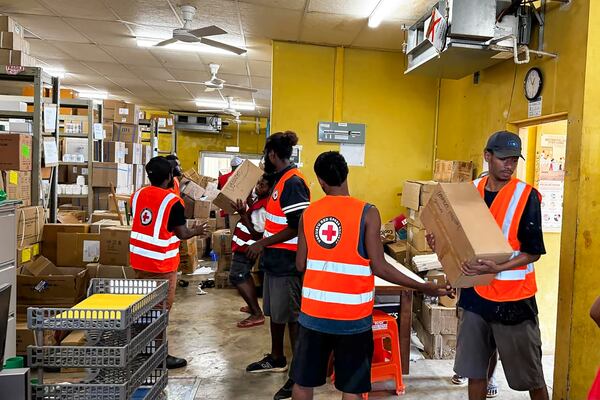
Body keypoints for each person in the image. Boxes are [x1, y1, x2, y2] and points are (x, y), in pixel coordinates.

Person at [291, 151, 452, 400]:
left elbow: (300, 263)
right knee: (352, 387)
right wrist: (423, 286)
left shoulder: (308, 214)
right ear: (346, 174)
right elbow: (381, 267)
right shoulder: (367, 212)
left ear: (321, 181)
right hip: (352, 319)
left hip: (313, 315)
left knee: (303, 382)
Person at [428, 131, 548, 400]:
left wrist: (497, 268)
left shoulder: (526, 196)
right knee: (475, 371)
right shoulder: (469, 193)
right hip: (474, 298)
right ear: (487, 156)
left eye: (514, 160)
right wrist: (438, 241)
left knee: (531, 375)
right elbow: (458, 242)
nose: (509, 165)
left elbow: (533, 253)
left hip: (514, 301)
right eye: (504, 159)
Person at [245, 131, 310, 400]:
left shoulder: (293, 182)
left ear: (273, 154)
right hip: (274, 260)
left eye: (265, 153)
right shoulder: (280, 180)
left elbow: (298, 226)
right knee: (276, 313)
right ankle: (276, 357)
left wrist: (262, 243)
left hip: (287, 262)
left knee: (293, 318)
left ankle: (298, 375)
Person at [129, 156, 207, 369]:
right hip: (161, 266)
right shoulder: (173, 202)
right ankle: (159, 355)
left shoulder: (137, 196)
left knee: (143, 307)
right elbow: (182, 233)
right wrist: (197, 231)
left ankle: (142, 349)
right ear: (170, 177)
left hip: (139, 263)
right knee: (160, 310)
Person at [230, 175, 272, 328]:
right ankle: (252, 303)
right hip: (243, 246)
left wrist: (242, 214)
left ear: (270, 189)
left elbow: (257, 234)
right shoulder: (259, 199)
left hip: (248, 248)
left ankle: (256, 313)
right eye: (258, 183)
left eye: (263, 185)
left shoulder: (263, 207)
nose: (259, 186)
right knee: (245, 275)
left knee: (237, 276)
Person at [219, 156, 244, 227]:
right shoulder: (243, 178)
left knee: (227, 230)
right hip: (239, 208)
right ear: (240, 166)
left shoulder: (221, 178)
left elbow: (219, 191)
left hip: (226, 208)